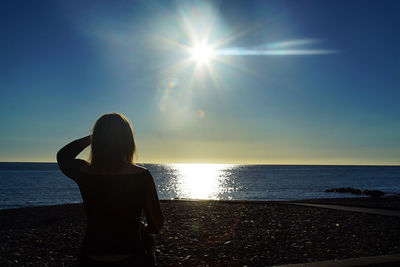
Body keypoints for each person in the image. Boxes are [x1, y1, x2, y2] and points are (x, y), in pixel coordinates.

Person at [57, 113, 164, 266]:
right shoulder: (142, 175)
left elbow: (63, 156)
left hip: (92, 255)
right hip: (131, 255)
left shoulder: (85, 173)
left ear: (98, 141)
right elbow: (157, 222)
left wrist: (96, 136)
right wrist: (144, 231)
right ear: (128, 141)